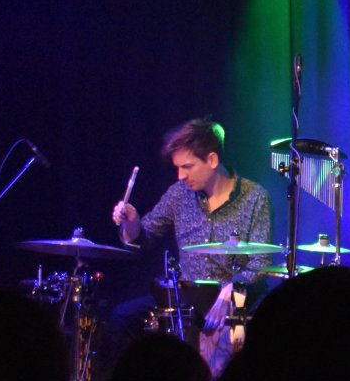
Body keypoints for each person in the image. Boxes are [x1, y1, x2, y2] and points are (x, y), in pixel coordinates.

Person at [111, 118, 273, 285]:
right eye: (178, 167)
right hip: (189, 296)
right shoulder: (179, 193)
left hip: (237, 298)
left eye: (187, 167)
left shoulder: (255, 196)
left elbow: (261, 262)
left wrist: (235, 288)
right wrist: (131, 223)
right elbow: (144, 238)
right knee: (130, 304)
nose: (180, 176)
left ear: (212, 160)